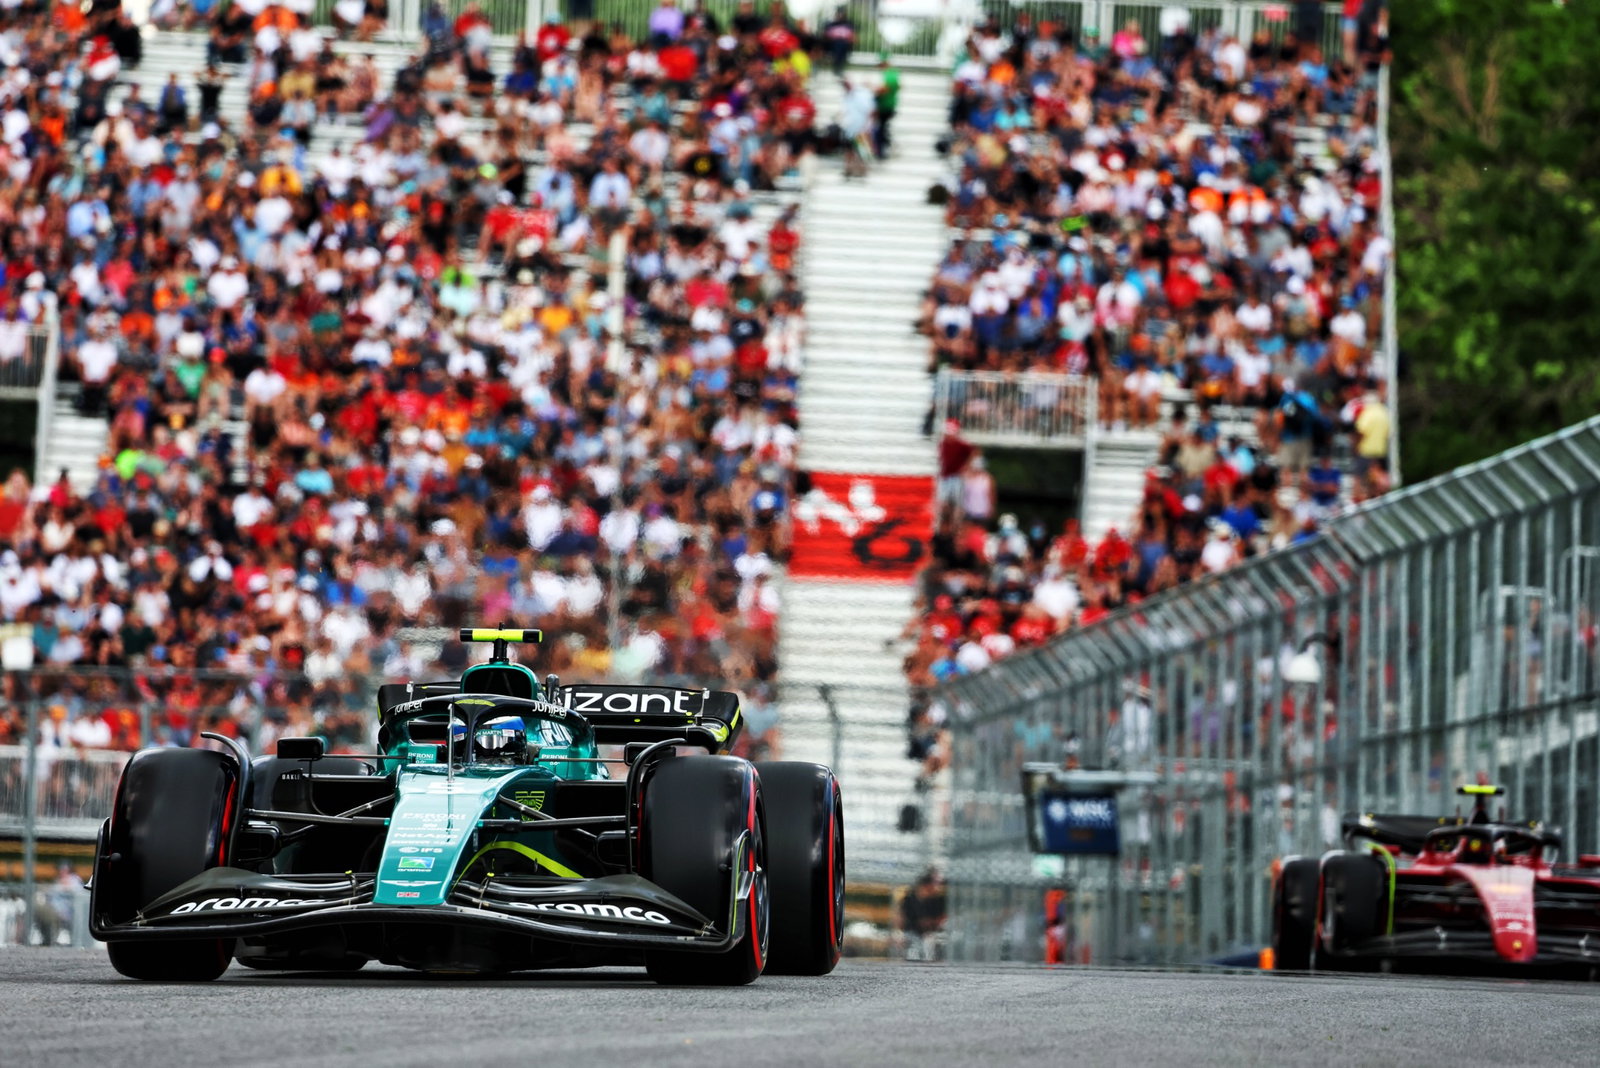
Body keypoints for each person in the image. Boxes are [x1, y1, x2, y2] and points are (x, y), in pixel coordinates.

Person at [872, 52, 899, 160]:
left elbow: (884, 89)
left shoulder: (889, 74)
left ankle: (881, 152)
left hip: (885, 106)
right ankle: (882, 149)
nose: (879, 67)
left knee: (881, 130)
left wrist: (873, 90)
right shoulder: (891, 73)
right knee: (882, 129)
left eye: (880, 64)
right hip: (887, 105)